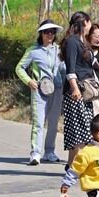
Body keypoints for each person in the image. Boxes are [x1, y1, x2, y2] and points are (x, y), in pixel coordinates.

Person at [15, 19, 65, 165]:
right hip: (39, 90)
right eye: (46, 32)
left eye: (52, 32)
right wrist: (29, 81)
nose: (49, 35)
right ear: (41, 33)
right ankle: (35, 153)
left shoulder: (59, 50)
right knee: (38, 122)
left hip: (57, 90)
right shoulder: (33, 51)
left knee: (54, 123)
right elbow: (19, 68)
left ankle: (49, 151)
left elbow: (63, 69)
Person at [61, 11, 95, 169]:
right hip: (76, 92)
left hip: (84, 92)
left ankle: (71, 166)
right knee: (81, 131)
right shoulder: (72, 42)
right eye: (89, 22)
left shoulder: (82, 41)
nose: (91, 26)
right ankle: (76, 167)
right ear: (85, 23)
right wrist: (74, 88)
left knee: (81, 130)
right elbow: (70, 68)